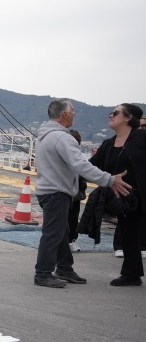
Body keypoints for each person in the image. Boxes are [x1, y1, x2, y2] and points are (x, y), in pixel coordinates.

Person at [33, 99, 130, 288]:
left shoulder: (44, 135)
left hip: (47, 190)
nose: (75, 113)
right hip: (56, 192)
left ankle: (64, 268)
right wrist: (110, 180)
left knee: (61, 232)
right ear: (64, 114)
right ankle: (42, 273)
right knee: (53, 234)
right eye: (73, 110)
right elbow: (81, 165)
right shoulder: (63, 138)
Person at [91, 103, 144, 286]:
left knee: (131, 234)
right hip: (125, 200)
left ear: (128, 118)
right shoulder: (108, 144)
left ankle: (132, 274)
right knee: (128, 235)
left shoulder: (142, 137)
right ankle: (132, 274)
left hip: (141, 195)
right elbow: (90, 167)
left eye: (115, 113)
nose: (111, 115)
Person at [66, 129, 87, 252]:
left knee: (73, 218)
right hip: (63, 192)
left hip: (75, 193)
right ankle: (65, 240)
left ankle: (71, 240)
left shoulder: (81, 157)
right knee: (66, 217)